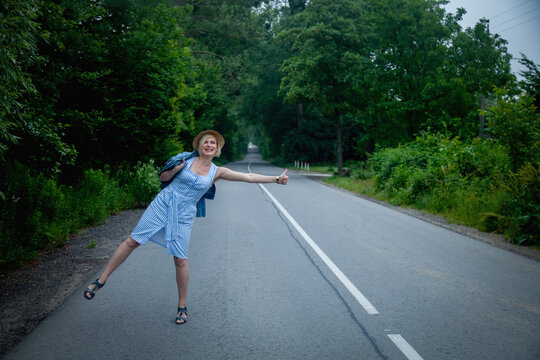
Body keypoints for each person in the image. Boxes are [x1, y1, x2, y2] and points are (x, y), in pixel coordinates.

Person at [83, 130, 288, 324]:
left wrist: (276, 179)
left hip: (184, 214)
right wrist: (175, 169)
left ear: (217, 150)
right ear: (199, 146)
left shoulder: (218, 171)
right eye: (205, 141)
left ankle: (182, 306)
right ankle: (101, 280)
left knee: (180, 259)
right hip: (163, 203)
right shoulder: (184, 159)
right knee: (132, 241)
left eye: (212, 143)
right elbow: (162, 178)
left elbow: (249, 177)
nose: (209, 144)